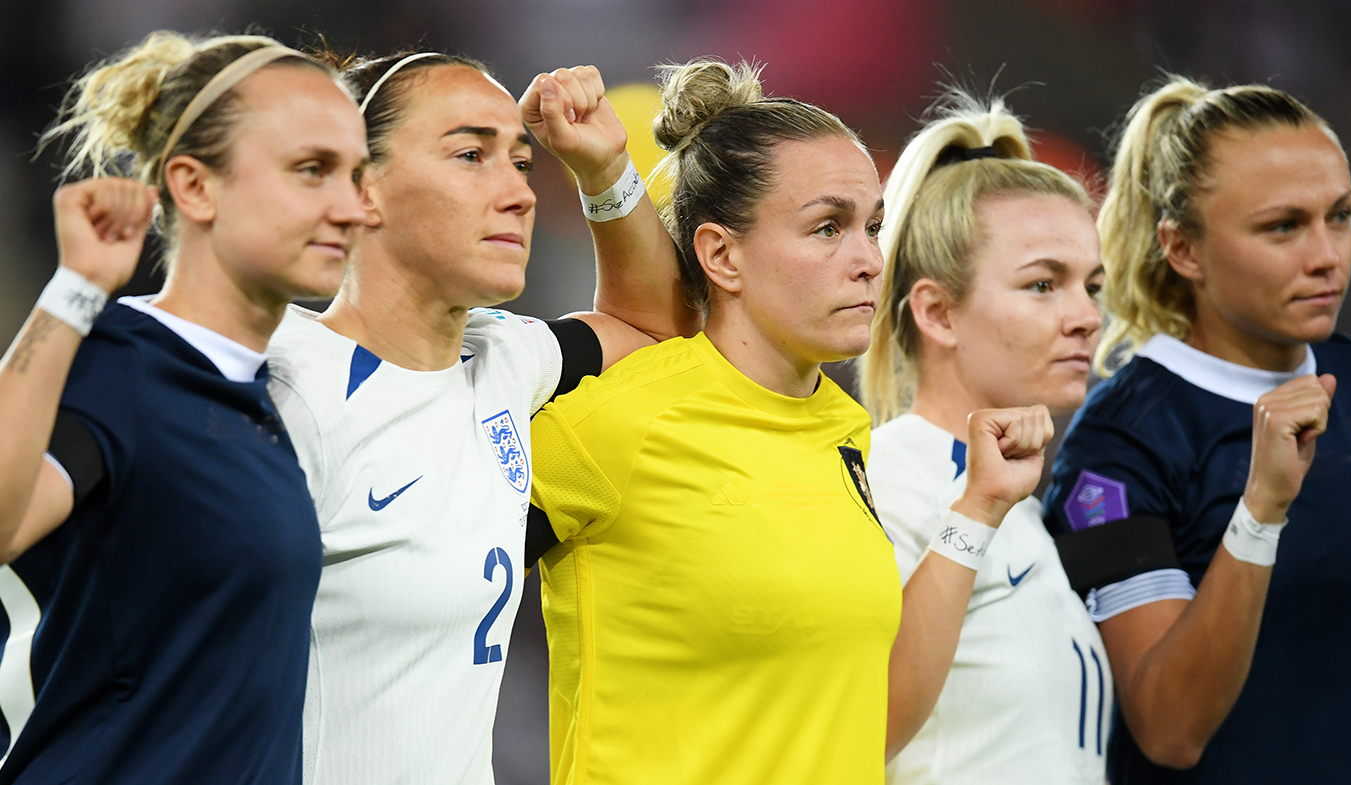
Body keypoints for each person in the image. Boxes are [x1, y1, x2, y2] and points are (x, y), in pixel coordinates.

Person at [525, 58, 1054, 785]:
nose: (869, 260)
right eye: (827, 227)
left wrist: (977, 509)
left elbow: (868, 721)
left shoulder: (843, 429)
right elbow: (421, 582)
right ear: (721, 255)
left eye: (872, 227)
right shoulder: (622, 418)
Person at [264, 49, 694, 784]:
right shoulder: (282, 384)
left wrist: (601, 169)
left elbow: (658, 327)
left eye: (522, 163)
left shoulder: (502, 359)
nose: (519, 193)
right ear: (360, 187)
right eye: (471, 155)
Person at [0, 31, 367, 784]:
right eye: (312, 171)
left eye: (357, 175)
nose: (352, 206)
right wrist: (73, 292)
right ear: (195, 186)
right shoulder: (120, 365)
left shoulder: (249, 393)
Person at [1044, 76, 1351, 783]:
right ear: (1184, 249)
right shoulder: (1116, 448)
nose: (1327, 255)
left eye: (1342, 214)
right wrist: (1259, 514)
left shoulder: (1349, 372)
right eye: (1283, 226)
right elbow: (1170, 728)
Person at [859, 94, 1111, 783]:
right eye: (1043, 284)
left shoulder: (1022, 500)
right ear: (938, 311)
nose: (1087, 317)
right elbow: (854, 730)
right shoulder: (883, 477)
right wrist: (974, 515)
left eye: (1092, 285)